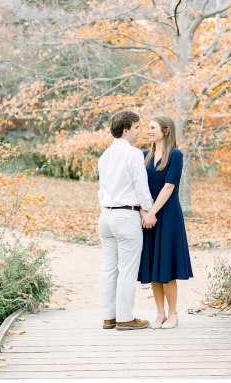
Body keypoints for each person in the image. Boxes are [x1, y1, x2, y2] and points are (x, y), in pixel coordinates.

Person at [97, 110, 157, 331]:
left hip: (106, 216)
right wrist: (149, 211)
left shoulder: (105, 155)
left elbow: (101, 191)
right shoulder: (133, 154)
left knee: (109, 268)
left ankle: (108, 317)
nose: (140, 131)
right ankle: (125, 318)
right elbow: (141, 188)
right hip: (126, 215)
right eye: (137, 127)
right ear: (126, 130)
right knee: (127, 269)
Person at [138, 116, 193, 329]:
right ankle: (159, 313)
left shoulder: (175, 155)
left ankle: (173, 314)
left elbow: (169, 187)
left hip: (167, 215)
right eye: (148, 128)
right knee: (154, 266)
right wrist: (144, 213)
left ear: (166, 130)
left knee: (167, 268)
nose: (148, 131)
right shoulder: (144, 156)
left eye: (152, 128)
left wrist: (152, 213)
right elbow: (138, 187)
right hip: (148, 217)